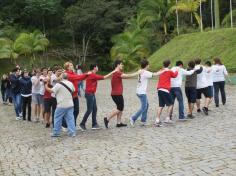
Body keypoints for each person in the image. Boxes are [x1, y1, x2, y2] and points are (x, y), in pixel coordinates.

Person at [104, 59, 141, 128]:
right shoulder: (117, 72)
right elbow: (128, 76)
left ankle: (119, 123)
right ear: (118, 65)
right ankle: (107, 118)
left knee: (120, 107)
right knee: (119, 108)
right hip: (116, 94)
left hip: (117, 93)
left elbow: (126, 76)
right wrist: (137, 72)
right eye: (121, 64)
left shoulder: (117, 72)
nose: (122, 65)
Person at [79, 64, 115, 131]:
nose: (98, 67)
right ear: (94, 67)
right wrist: (113, 72)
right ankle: (82, 124)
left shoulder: (92, 74)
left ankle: (94, 124)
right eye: (97, 66)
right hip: (89, 94)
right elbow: (104, 77)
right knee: (89, 110)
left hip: (92, 94)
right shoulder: (92, 75)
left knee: (95, 109)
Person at [130, 60, 163, 126]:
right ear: (147, 65)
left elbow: (154, 73)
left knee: (146, 105)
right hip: (142, 92)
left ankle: (143, 120)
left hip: (139, 91)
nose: (149, 65)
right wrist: (163, 71)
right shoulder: (145, 72)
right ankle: (133, 118)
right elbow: (155, 74)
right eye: (148, 64)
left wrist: (160, 70)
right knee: (144, 107)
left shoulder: (140, 70)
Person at [45, 73, 76, 137]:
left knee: (57, 118)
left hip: (61, 104)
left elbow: (51, 91)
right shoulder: (70, 83)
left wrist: (46, 86)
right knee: (70, 119)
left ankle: (56, 132)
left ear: (61, 78)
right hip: (70, 104)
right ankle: (72, 132)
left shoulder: (58, 84)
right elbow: (73, 90)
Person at [63, 62, 89, 127]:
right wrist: (86, 74)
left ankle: (72, 124)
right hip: (69, 96)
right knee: (69, 111)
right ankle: (65, 124)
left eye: (72, 65)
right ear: (67, 67)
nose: (72, 66)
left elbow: (80, 78)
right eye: (71, 65)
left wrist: (87, 75)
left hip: (75, 95)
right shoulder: (67, 74)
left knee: (76, 111)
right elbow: (77, 77)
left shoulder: (73, 73)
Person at [154, 60, 178, 127]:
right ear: (169, 64)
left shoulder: (161, 70)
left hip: (159, 89)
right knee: (171, 104)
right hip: (165, 90)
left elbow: (157, 73)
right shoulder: (169, 71)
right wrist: (177, 70)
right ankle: (167, 118)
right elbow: (174, 75)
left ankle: (157, 119)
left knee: (161, 105)